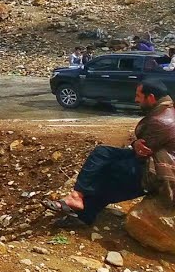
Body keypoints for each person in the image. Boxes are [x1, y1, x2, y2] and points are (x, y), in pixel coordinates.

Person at [45, 79, 175, 225]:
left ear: (150, 97)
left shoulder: (162, 121)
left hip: (161, 173)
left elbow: (142, 151)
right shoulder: (166, 111)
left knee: (114, 172)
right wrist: (135, 143)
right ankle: (77, 196)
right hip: (155, 160)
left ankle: (84, 213)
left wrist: (136, 144)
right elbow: (141, 145)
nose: (135, 99)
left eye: (139, 95)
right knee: (102, 153)